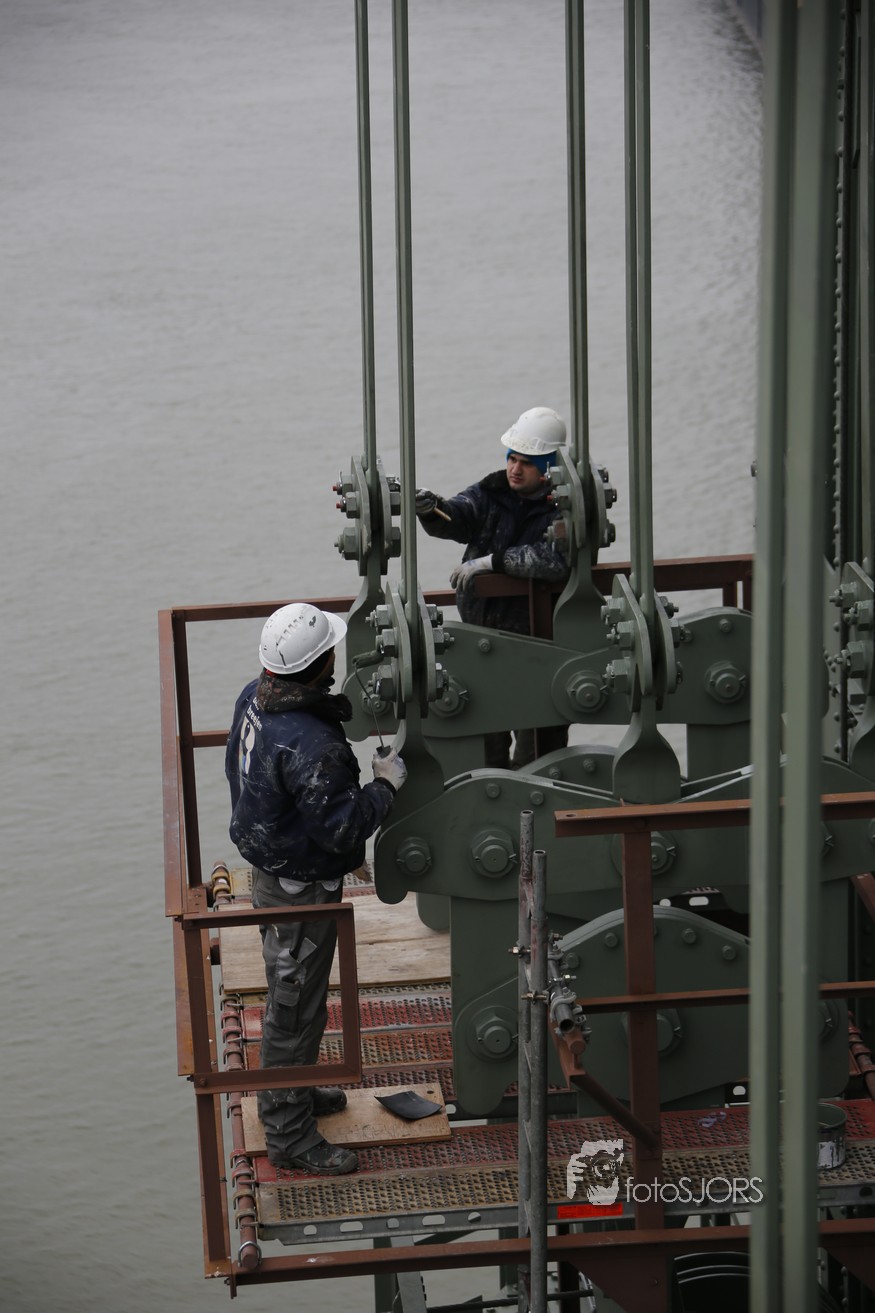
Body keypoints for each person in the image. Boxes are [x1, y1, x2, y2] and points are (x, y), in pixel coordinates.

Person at [225, 602, 407, 1176]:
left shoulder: (253, 699)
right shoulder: (313, 744)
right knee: (294, 1010)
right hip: (300, 892)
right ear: (321, 664)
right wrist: (383, 789)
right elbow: (343, 829)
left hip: (273, 872)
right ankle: (289, 1136)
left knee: (294, 997)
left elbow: (246, 779)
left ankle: (296, 1095)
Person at [415, 405, 570, 769]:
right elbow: (458, 515)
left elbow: (556, 560)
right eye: (512, 458)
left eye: (526, 463)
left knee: (537, 756)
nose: (515, 469)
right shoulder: (492, 492)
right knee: (487, 751)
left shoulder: (565, 508)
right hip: (482, 646)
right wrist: (431, 509)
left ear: (548, 468)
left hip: (537, 651)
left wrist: (491, 563)